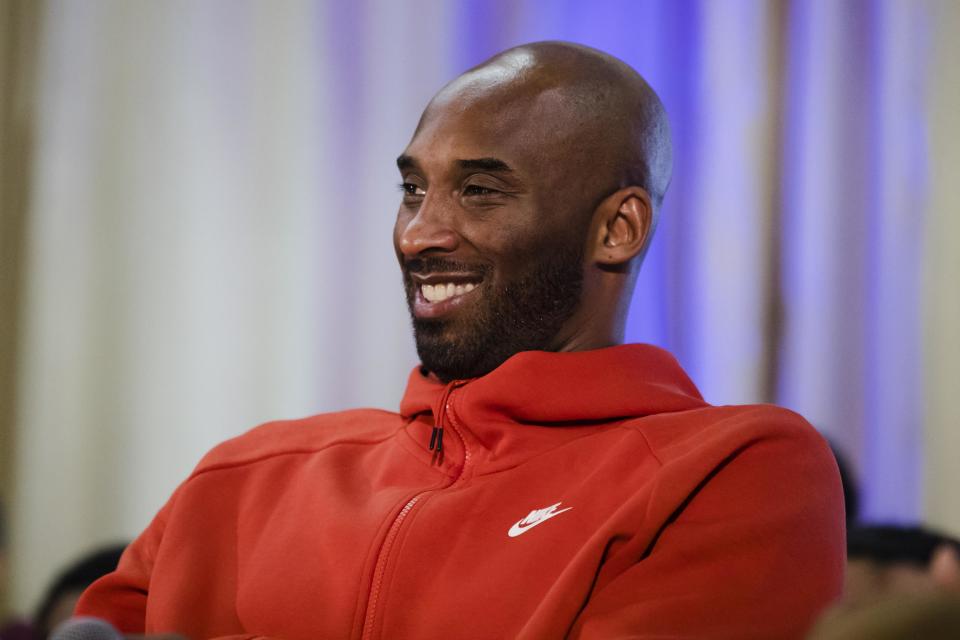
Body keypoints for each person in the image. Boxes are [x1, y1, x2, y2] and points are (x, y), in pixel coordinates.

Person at [76, 41, 844, 639]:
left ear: (618, 228)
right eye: (413, 189)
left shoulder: (734, 467)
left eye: (480, 190)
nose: (418, 235)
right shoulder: (240, 479)